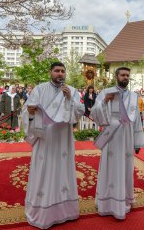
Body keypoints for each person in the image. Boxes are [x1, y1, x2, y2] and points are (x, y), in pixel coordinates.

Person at [21, 62, 84, 228]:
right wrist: (31, 111)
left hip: (63, 138)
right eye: (57, 71)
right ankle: (43, 212)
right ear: (51, 72)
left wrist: (70, 97)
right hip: (45, 138)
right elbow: (26, 110)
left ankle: (66, 211)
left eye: (63, 71)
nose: (60, 74)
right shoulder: (40, 89)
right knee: (45, 170)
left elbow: (79, 112)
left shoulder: (72, 91)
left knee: (63, 170)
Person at [90, 66, 144, 220]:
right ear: (117, 76)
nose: (125, 78)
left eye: (128, 75)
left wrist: (137, 142)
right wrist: (104, 103)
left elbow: (136, 122)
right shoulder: (106, 93)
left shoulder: (134, 97)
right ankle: (106, 202)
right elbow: (94, 114)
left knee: (126, 169)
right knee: (110, 168)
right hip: (111, 138)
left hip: (127, 138)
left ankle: (125, 200)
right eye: (123, 75)